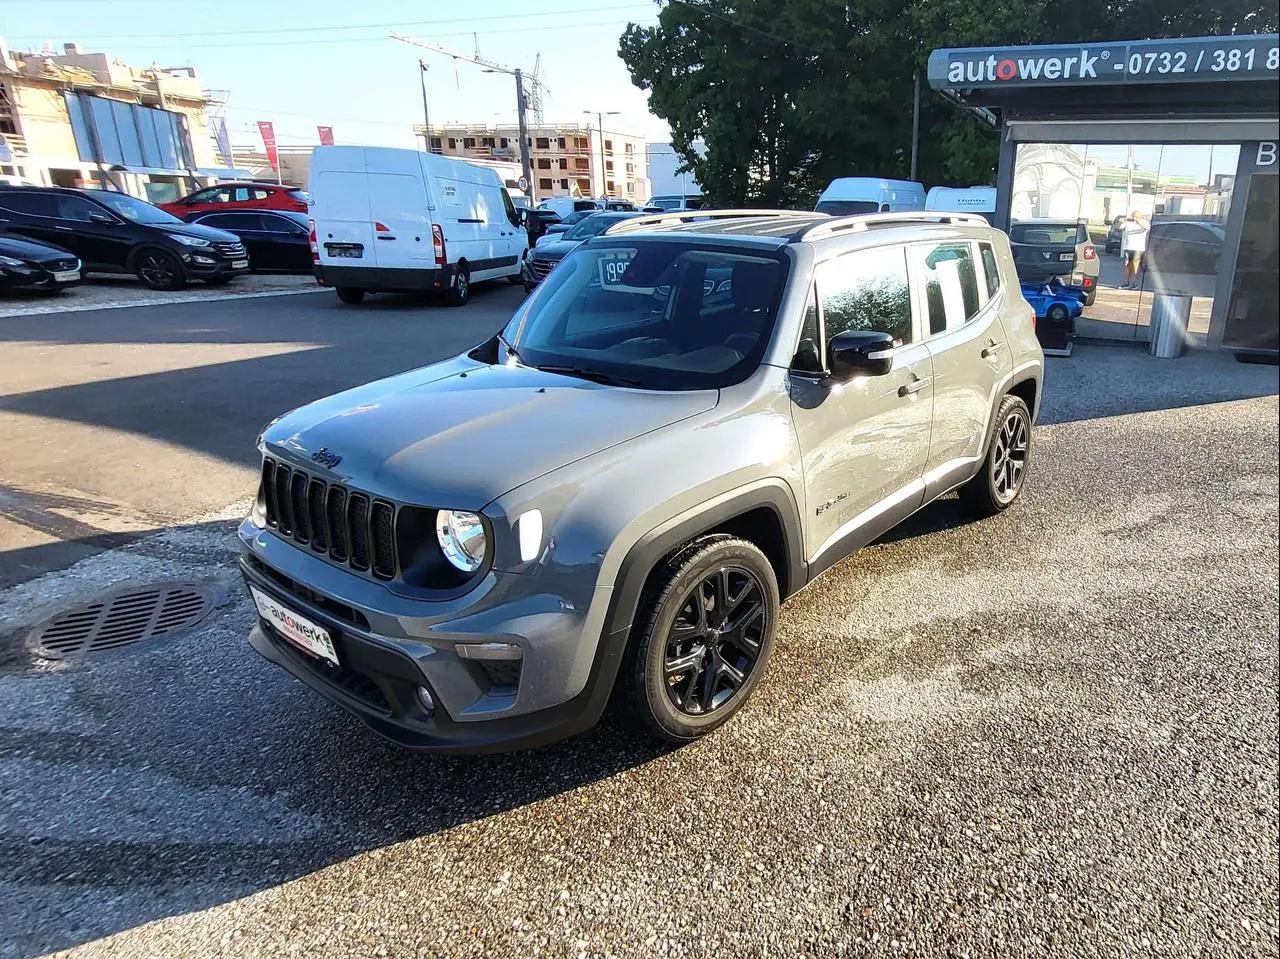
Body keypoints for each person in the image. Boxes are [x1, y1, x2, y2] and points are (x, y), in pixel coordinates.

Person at [1121, 211, 1149, 289]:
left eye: (1136, 216)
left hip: (1138, 248)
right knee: (1127, 265)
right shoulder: (1129, 223)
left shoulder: (1144, 223)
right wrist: (1123, 221)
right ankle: (1126, 282)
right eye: (1133, 216)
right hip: (1128, 247)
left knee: (1135, 265)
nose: (1134, 218)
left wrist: (1138, 221)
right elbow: (1120, 227)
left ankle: (1134, 283)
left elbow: (1147, 227)